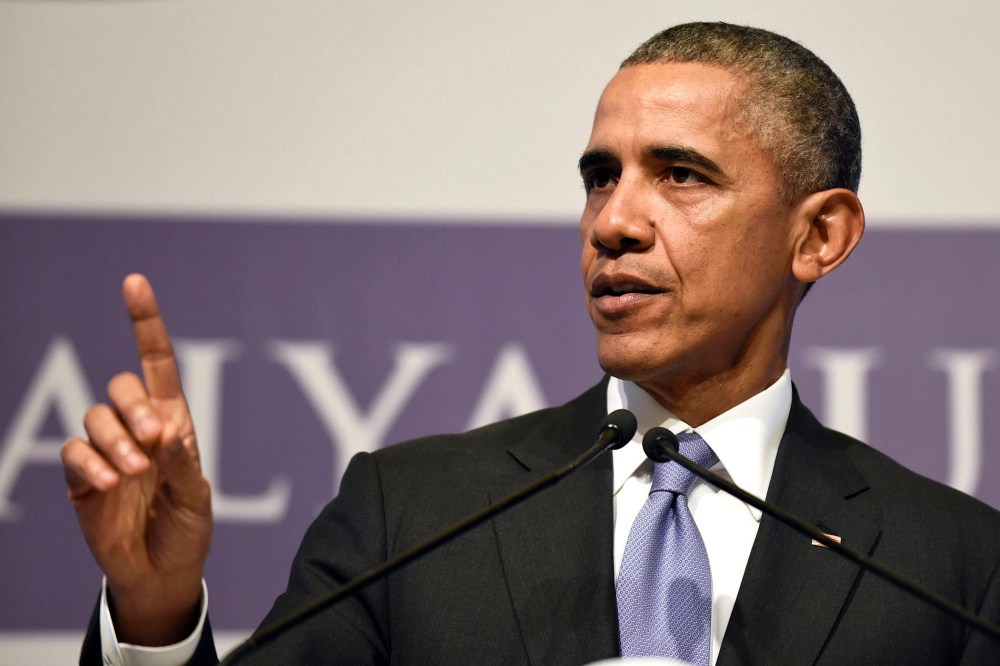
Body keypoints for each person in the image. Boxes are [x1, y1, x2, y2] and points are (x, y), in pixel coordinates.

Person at [61, 22, 1000, 665]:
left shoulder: (948, 563)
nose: (614, 222)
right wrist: (155, 614)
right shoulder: (411, 516)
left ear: (818, 237)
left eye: (680, 175)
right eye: (600, 177)